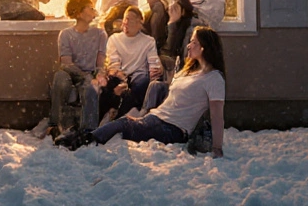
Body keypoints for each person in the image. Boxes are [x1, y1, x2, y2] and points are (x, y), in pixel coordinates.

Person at [81, 26, 226, 158]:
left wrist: (217, 147)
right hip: (157, 118)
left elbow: (217, 115)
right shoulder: (191, 72)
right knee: (126, 120)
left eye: (193, 42)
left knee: (122, 125)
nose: (188, 45)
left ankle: (83, 141)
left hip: (173, 129)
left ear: (203, 48)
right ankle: (86, 136)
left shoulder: (214, 78)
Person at [48, 0, 108, 138]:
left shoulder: (100, 34)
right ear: (79, 12)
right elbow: (66, 62)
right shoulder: (66, 34)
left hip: (90, 73)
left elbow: (100, 63)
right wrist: (82, 75)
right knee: (60, 78)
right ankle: (55, 126)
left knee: (91, 85)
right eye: (90, 8)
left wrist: (98, 75)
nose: (93, 10)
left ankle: (88, 132)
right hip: (70, 72)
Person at [99, 6, 162, 121]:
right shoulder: (114, 39)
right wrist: (121, 79)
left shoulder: (148, 41)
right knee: (108, 85)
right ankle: (107, 118)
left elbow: (154, 63)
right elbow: (113, 63)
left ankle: (120, 118)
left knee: (142, 83)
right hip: (120, 74)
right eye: (125, 19)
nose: (126, 23)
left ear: (139, 23)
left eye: (130, 19)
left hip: (139, 75)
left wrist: (155, 72)